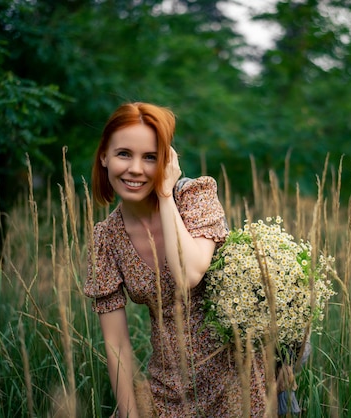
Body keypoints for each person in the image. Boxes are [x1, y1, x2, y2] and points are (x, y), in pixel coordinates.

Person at [84, 102, 267, 417]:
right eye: (124, 154)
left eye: (151, 157)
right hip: (167, 389)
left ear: (167, 161)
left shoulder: (195, 197)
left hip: (237, 381)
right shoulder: (106, 240)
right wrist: (129, 414)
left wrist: (167, 195)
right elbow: (117, 344)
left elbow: (189, 274)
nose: (136, 169)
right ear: (104, 156)